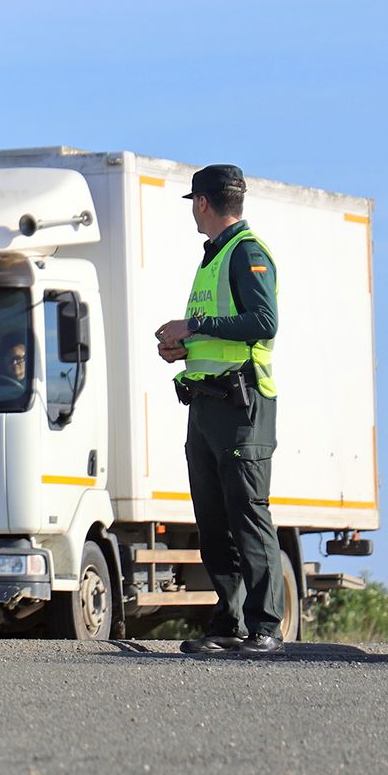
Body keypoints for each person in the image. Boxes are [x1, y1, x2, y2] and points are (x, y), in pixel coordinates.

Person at [155, 164, 283, 656]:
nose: (192, 210)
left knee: (247, 515)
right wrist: (184, 346)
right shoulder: (212, 259)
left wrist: (194, 324)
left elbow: (264, 323)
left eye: (193, 202)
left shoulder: (245, 253)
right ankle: (228, 622)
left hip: (242, 405)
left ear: (203, 203)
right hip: (207, 405)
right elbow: (220, 331)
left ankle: (265, 627)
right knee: (213, 521)